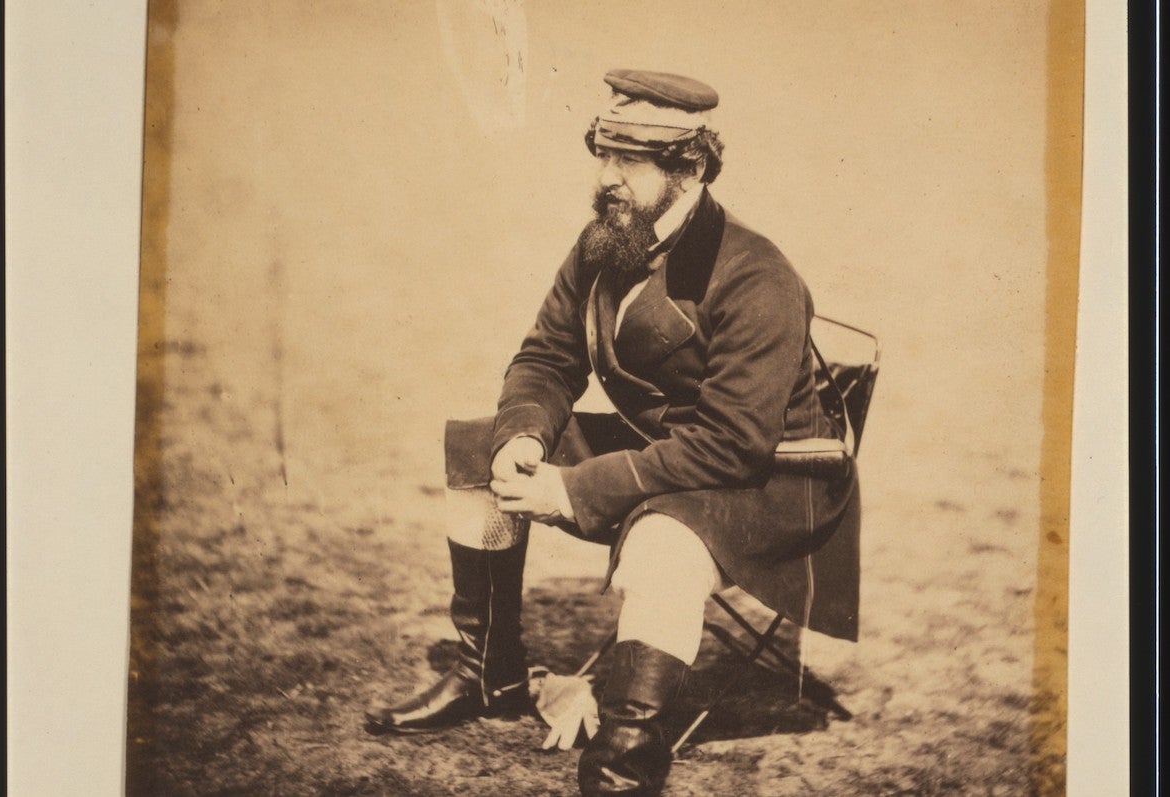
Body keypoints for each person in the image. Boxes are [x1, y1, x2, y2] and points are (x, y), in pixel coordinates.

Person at [364, 68, 860, 796]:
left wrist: (574, 487)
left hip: (776, 477)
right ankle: (488, 671)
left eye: (629, 160)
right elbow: (545, 356)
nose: (607, 177)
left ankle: (623, 767)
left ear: (688, 166)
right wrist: (524, 439)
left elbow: (732, 442)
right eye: (602, 153)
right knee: (477, 447)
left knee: (662, 541)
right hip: (676, 453)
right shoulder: (609, 239)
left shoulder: (756, 274)